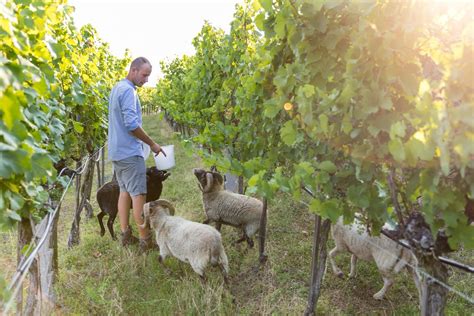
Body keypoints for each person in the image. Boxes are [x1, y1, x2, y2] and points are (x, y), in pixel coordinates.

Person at [107, 57, 165, 252]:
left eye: (148, 76)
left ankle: (125, 235)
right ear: (133, 70)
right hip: (130, 153)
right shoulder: (129, 92)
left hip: (117, 152)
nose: (146, 80)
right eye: (144, 75)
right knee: (139, 196)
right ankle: (145, 240)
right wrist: (152, 144)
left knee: (124, 193)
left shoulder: (117, 88)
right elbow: (132, 125)